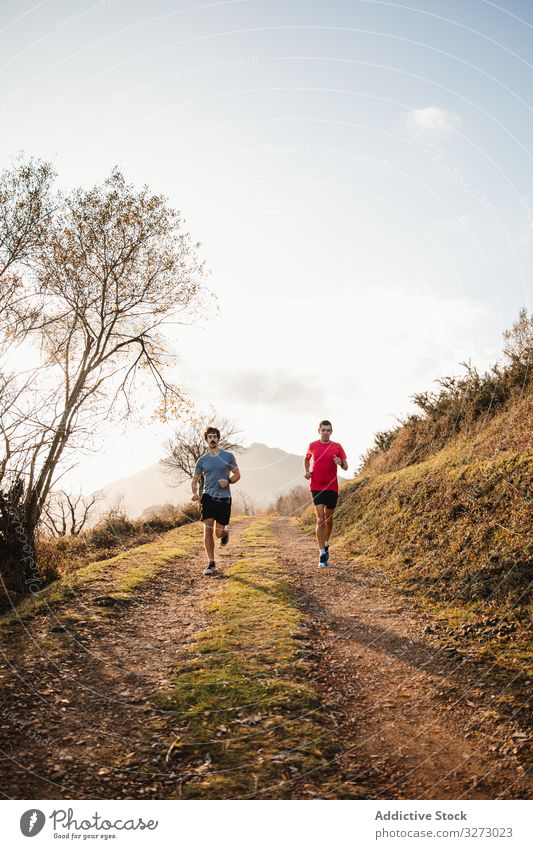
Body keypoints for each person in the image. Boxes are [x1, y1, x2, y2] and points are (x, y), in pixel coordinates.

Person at [191, 426, 241, 575]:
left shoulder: (228, 456)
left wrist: (229, 481)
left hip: (224, 498)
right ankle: (211, 563)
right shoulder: (202, 460)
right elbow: (195, 481)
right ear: (206, 440)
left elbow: (237, 474)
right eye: (210, 437)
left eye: (215, 436)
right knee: (207, 529)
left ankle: (225, 533)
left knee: (218, 533)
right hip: (208, 497)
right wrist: (194, 493)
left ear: (218, 439)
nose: (212, 439)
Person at [304, 420, 348, 567]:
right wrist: (307, 472)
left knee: (329, 520)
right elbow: (306, 458)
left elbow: (346, 467)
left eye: (328, 430)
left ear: (331, 431)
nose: (325, 432)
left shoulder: (337, 447)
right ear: (319, 431)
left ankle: (327, 543)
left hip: (332, 487)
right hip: (316, 486)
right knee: (320, 519)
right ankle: (322, 553)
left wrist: (340, 462)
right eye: (323, 430)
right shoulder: (312, 445)